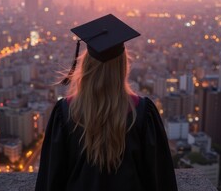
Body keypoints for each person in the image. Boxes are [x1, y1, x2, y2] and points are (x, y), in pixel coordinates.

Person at [35, 14, 177, 191]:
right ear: (123, 66)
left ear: (86, 65)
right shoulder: (142, 113)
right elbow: (159, 179)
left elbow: (51, 179)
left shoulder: (65, 113)